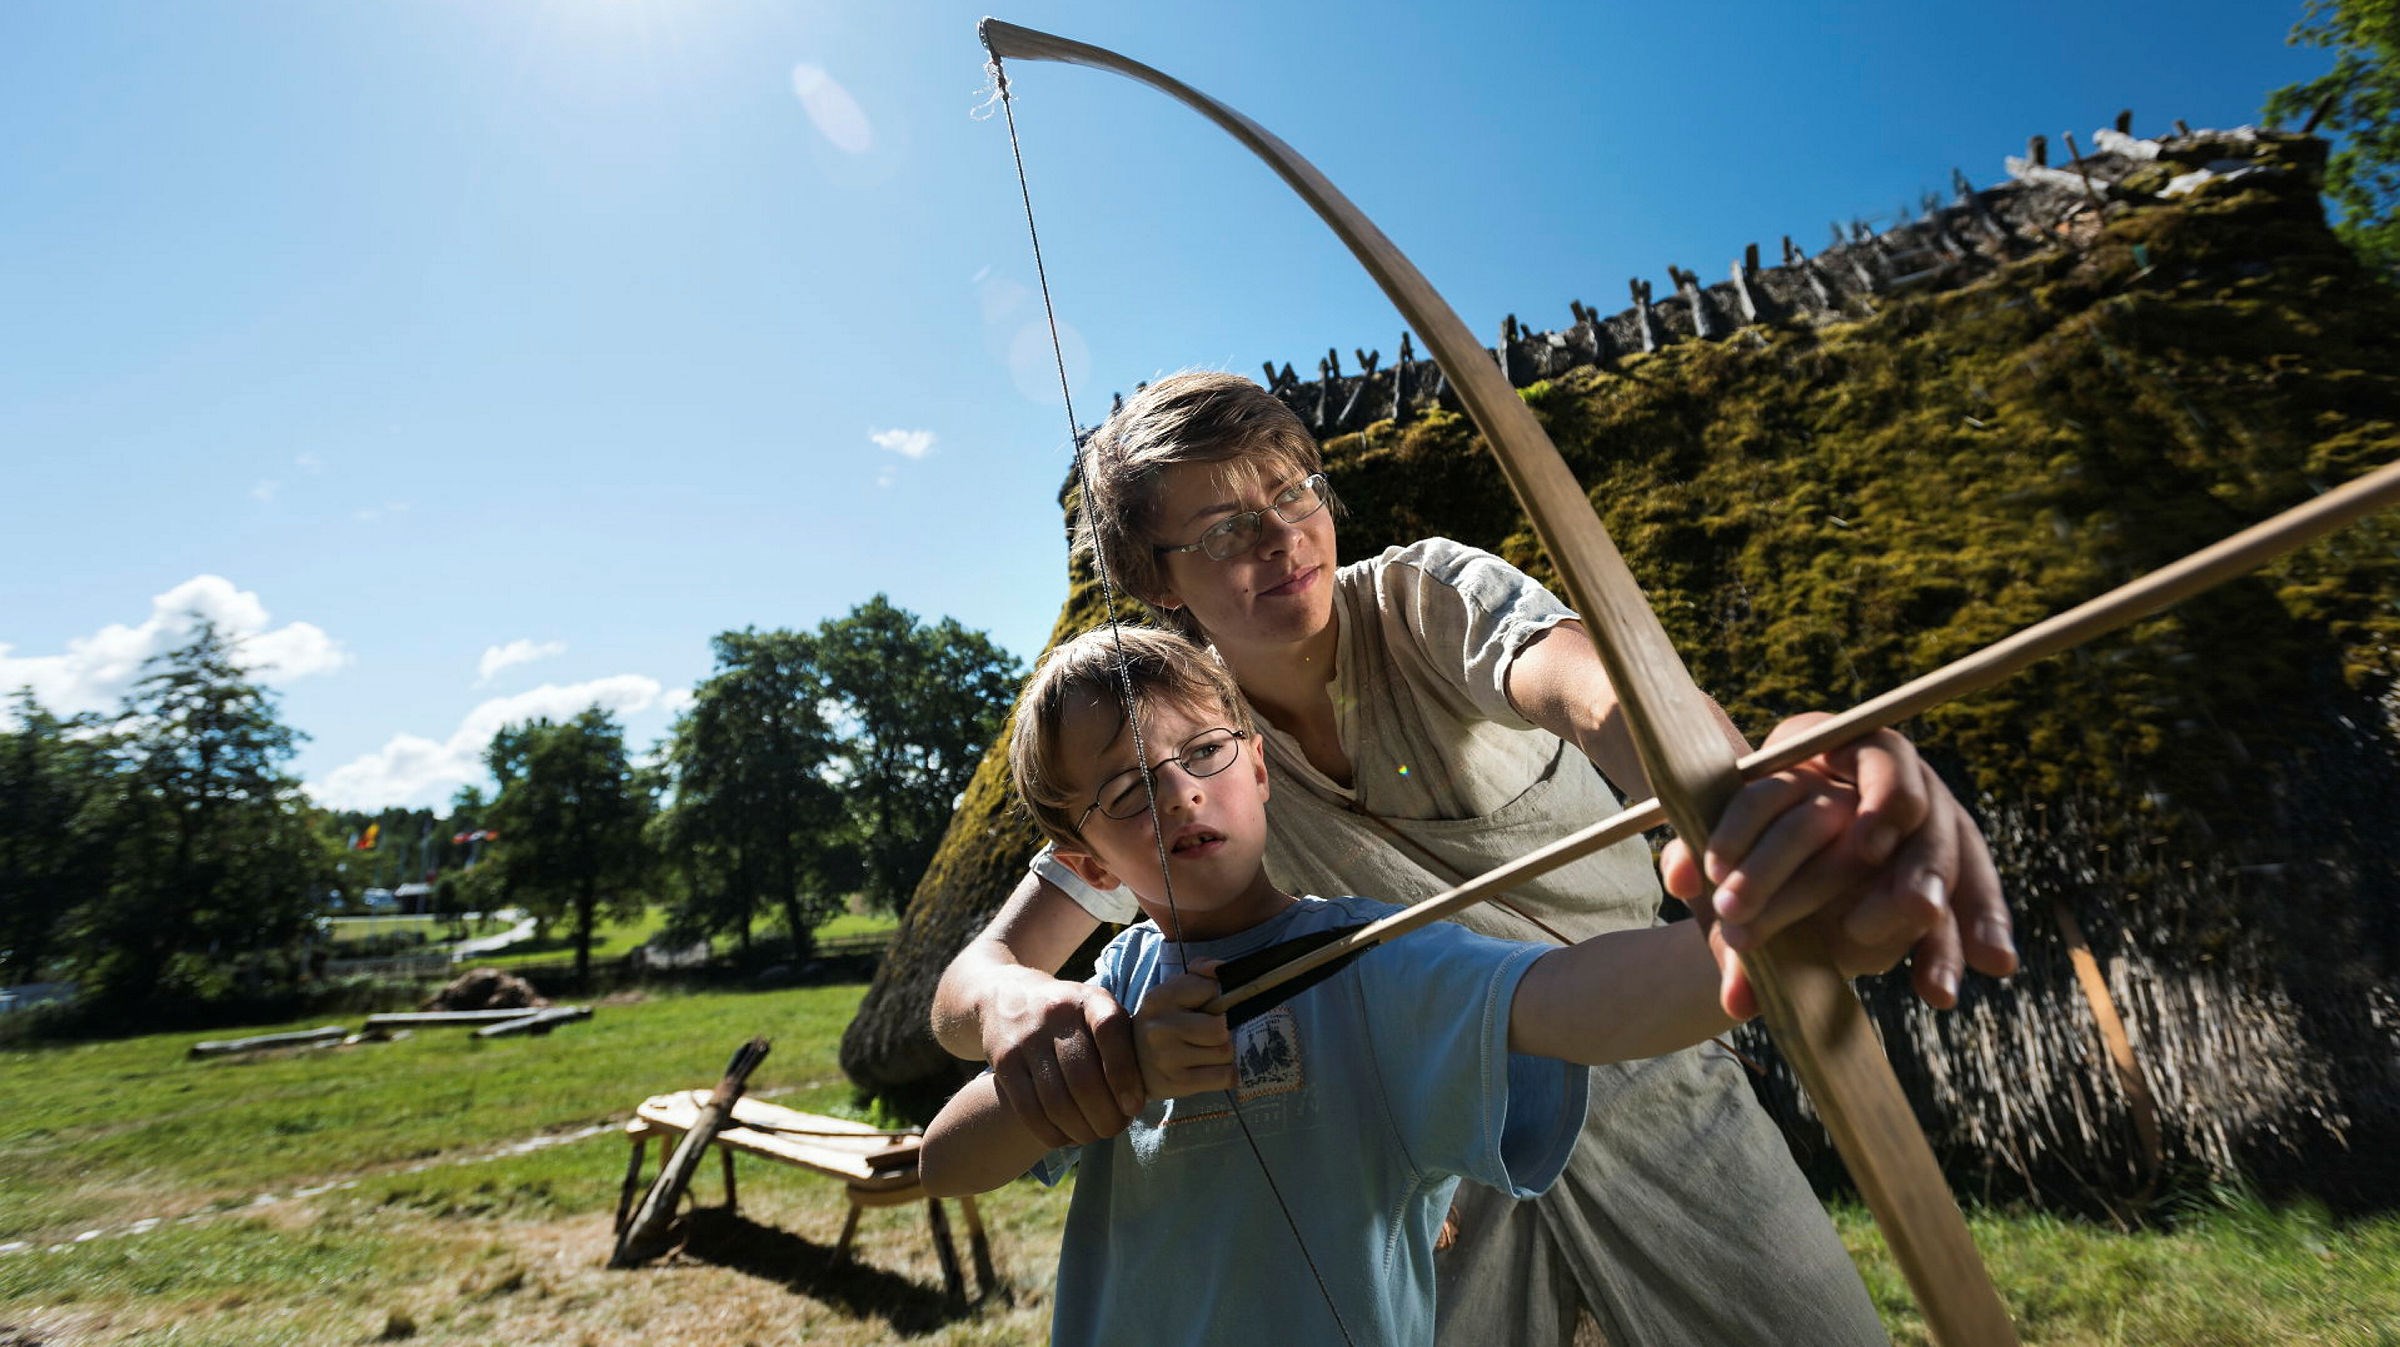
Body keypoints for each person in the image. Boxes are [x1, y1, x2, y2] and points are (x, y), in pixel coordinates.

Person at [931, 371, 2020, 1345]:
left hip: (1653, 1074)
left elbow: (1611, 702)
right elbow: (966, 986)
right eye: (1219, 531)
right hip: (1432, 1155)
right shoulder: (1179, 739)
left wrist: (1758, 806)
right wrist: (1018, 1011)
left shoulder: (1426, 597)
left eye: (1296, 491)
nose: (1281, 539)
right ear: (1151, 576)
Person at [921, 625, 1785, 1347]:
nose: (1182, 791)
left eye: (1204, 753)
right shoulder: (1118, 988)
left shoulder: (1371, 959)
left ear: (1259, 771)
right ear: (1084, 864)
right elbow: (944, 1160)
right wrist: (1117, 1065)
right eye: (1129, 786)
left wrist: (1764, 928)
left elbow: (1564, 999)